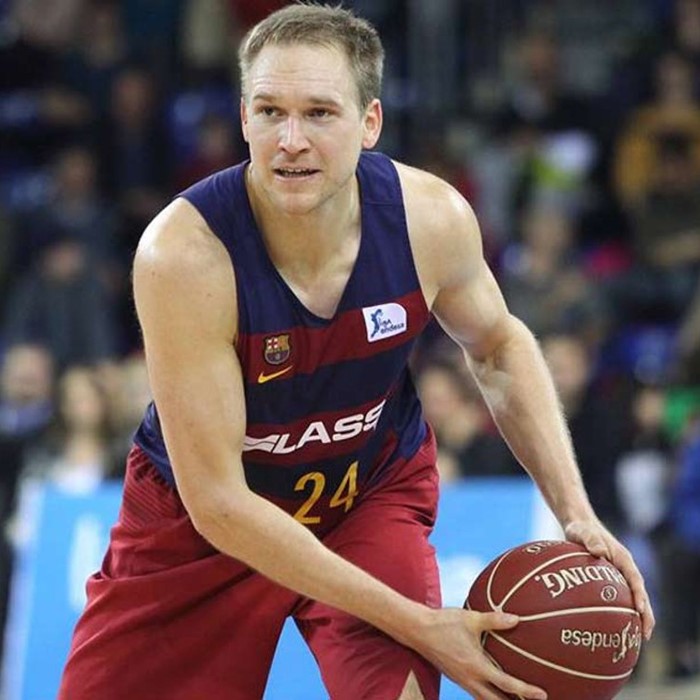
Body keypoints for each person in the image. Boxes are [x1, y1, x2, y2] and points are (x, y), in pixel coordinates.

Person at [58, 5, 655, 700]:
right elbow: (218, 502)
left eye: (319, 113)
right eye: (270, 112)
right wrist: (420, 624)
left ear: (370, 123)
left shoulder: (429, 218)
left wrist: (575, 512)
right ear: (243, 118)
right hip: (205, 526)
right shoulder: (184, 256)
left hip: (364, 492)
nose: (291, 140)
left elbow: (498, 347)